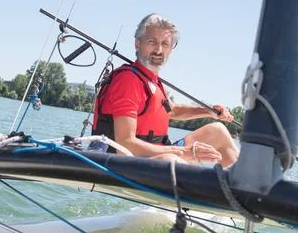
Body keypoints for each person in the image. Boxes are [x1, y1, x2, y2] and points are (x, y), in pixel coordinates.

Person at [91, 13, 239, 167]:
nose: (159, 50)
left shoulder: (154, 82)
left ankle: (243, 186)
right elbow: (125, 146)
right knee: (171, 161)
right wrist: (183, 152)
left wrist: (207, 111)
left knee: (218, 131)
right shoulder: (128, 81)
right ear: (137, 44)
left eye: (165, 44)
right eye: (152, 42)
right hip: (126, 164)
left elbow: (171, 110)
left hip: (158, 154)